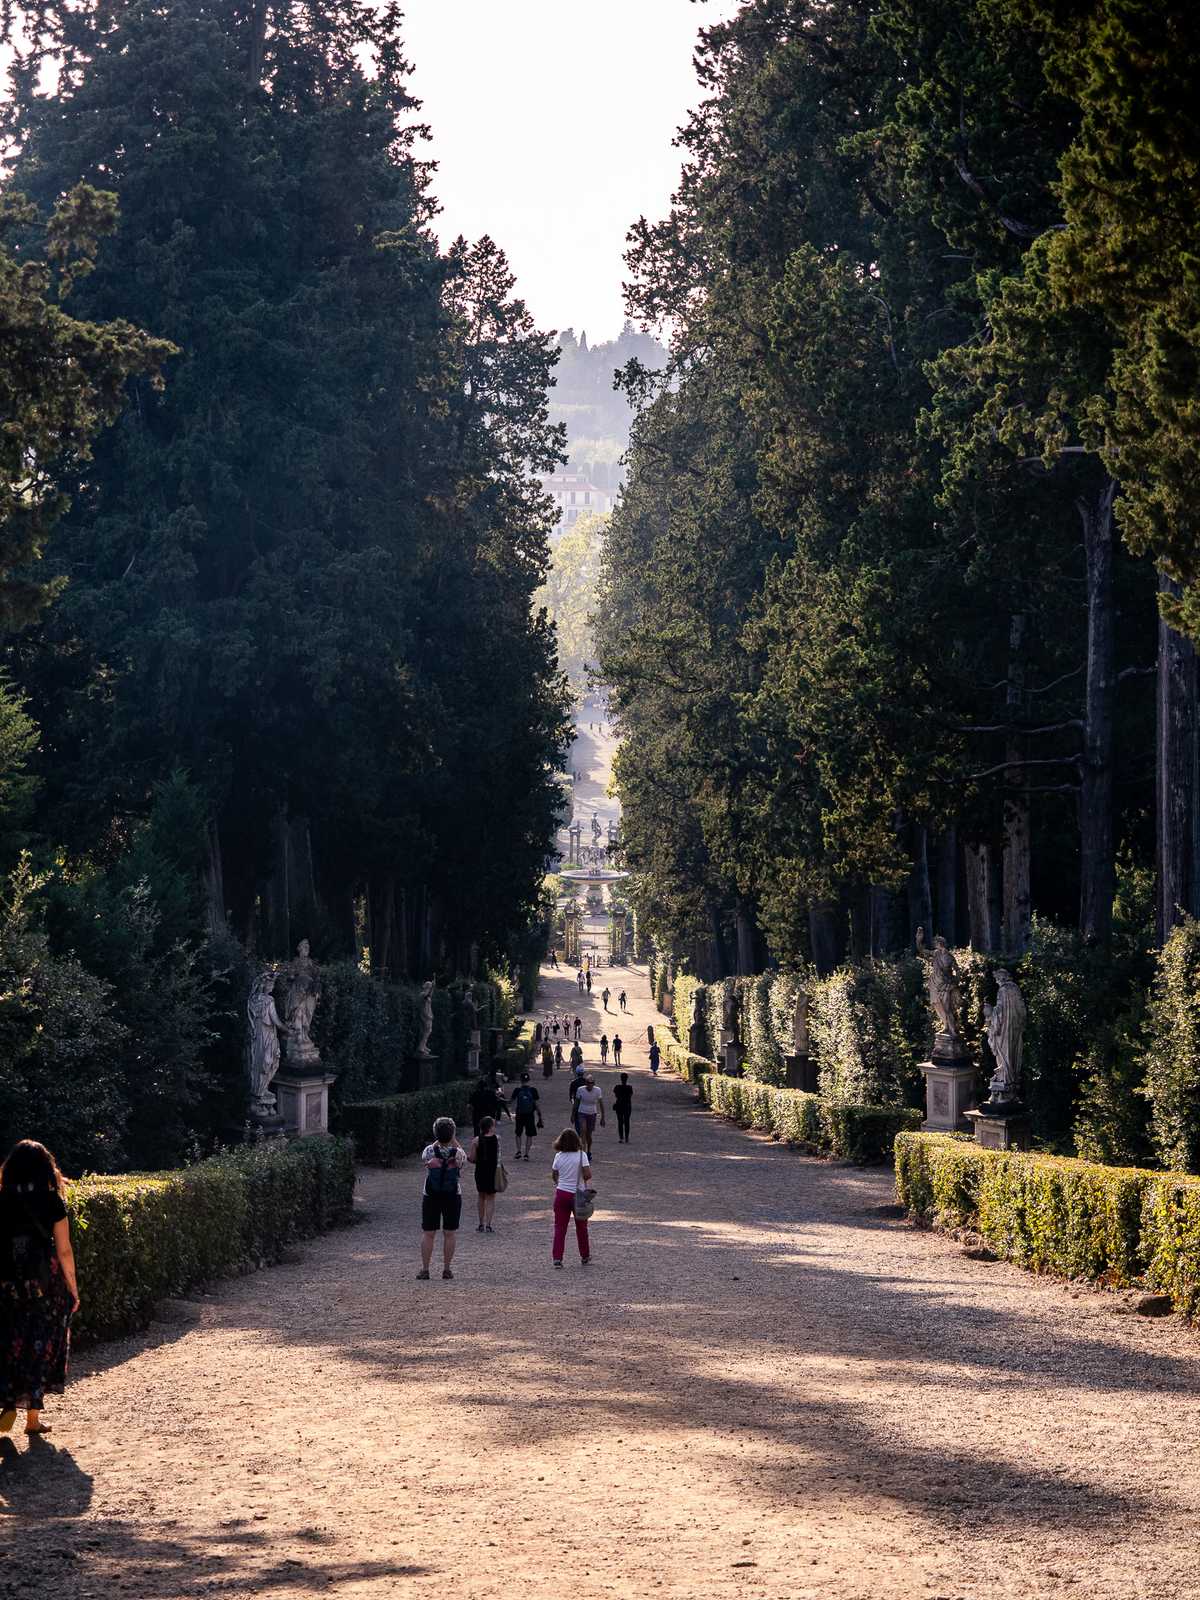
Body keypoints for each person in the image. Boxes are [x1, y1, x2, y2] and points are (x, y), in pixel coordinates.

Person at [0, 1140, 79, 1436]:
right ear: (46, 1168)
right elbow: (65, 1251)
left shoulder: (1, 1200)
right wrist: (73, 1287)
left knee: (8, 1342)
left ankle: (7, 1402)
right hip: (45, 1282)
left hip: (7, 1282)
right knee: (40, 1344)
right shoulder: (51, 1201)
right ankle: (32, 1420)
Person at [418, 1118, 466, 1281]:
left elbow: (425, 1159)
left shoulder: (429, 1151)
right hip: (452, 1194)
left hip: (431, 1194)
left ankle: (425, 1269)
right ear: (452, 1133)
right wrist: (452, 1139)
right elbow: (462, 1160)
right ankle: (447, 1269)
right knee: (449, 1233)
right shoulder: (458, 1153)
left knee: (428, 1233)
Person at [550, 1129, 591, 1268]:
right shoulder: (582, 1155)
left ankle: (557, 1258)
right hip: (577, 1194)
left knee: (560, 1228)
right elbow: (587, 1175)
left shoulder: (558, 1156)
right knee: (581, 1227)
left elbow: (554, 1174)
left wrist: (558, 1182)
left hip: (561, 1193)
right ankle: (585, 1255)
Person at [468, 1116, 502, 1233]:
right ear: (490, 1127)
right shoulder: (497, 1139)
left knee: (481, 1196)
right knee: (491, 1198)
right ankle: (488, 1224)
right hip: (492, 1171)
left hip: (480, 1171)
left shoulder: (476, 1141)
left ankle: (480, 1223)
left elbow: (472, 1159)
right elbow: (498, 1156)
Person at [509, 1072, 543, 1159]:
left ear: (521, 1080)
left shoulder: (517, 1090)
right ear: (529, 1080)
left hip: (520, 1114)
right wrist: (540, 1116)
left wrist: (500, 1098)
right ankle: (526, 1154)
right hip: (530, 1115)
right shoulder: (533, 1090)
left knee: (518, 1133)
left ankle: (518, 1151)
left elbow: (510, 1101)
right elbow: (537, 1104)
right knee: (529, 1134)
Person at [575, 1075, 605, 1153]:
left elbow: (601, 1104)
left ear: (594, 1083)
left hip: (592, 1113)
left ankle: (589, 1150)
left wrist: (602, 1117)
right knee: (583, 1130)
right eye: (588, 1083)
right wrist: (572, 1114)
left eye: (591, 1083)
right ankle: (583, 1151)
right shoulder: (580, 1090)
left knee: (589, 1134)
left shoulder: (598, 1090)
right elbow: (576, 1103)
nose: (590, 1084)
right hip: (582, 1112)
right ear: (586, 1083)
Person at [613, 1073, 633, 1143]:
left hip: (619, 1106)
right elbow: (630, 1096)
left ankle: (621, 1138)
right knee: (627, 1122)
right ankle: (627, 1137)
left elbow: (616, 1095)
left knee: (620, 1122)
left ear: (620, 1079)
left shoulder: (617, 1087)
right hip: (627, 1106)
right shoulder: (629, 1088)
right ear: (627, 1079)